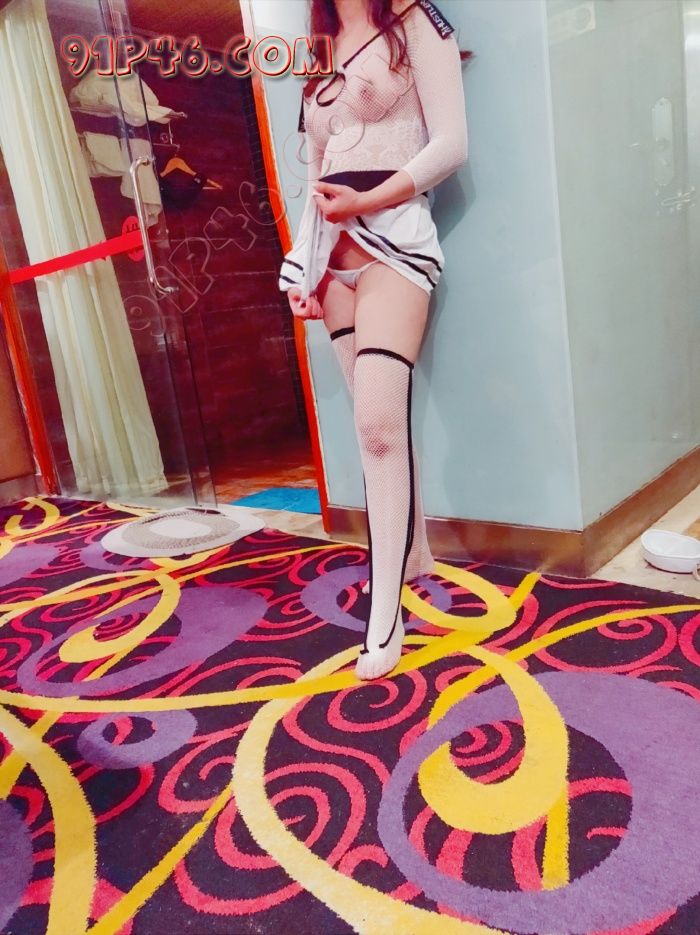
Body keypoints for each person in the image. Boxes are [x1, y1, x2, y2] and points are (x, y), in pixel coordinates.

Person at [278, 0, 469, 680]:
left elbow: (451, 144)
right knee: (373, 428)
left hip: (396, 246)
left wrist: (368, 200)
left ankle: (383, 614)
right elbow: (313, 179)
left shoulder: (416, 20)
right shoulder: (321, 43)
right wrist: (302, 269)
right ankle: (411, 556)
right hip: (333, 260)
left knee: (380, 427)